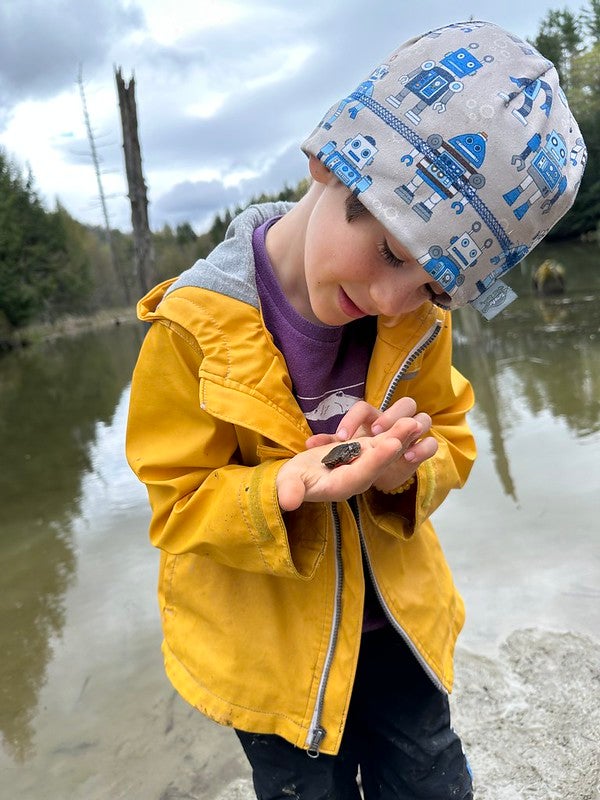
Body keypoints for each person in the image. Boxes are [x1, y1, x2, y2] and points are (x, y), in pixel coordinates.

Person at [126, 19, 585, 800]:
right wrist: (284, 488)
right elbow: (178, 506)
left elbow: (452, 436)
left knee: (434, 780)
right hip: (277, 663)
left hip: (398, 635)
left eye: (435, 286)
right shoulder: (190, 329)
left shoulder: (416, 323)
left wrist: (406, 470)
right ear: (325, 162)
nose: (392, 299)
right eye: (393, 254)